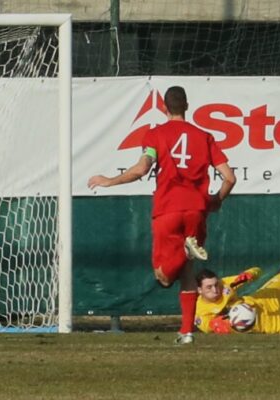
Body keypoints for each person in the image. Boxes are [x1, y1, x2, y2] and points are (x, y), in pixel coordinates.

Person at [87, 86, 236, 345]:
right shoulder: (204, 136)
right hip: (196, 210)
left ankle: (184, 252)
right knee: (188, 270)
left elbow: (142, 168)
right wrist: (217, 201)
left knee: (164, 276)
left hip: (168, 208)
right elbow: (230, 177)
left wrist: (110, 180)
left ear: (165, 108)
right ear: (187, 106)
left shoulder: (155, 135)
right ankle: (187, 333)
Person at [195, 212, 280, 334]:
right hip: (270, 325)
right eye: (209, 287)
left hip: (264, 300)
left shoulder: (225, 284)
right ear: (199, 290)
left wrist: (249, 274)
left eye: (216, 284)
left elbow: (257, 270)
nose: (215, 289)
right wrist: (215, 325)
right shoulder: (201, 311)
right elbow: (206, 325)